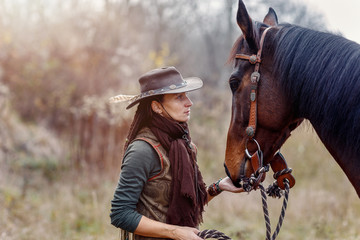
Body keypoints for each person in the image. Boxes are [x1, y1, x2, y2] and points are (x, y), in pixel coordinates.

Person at [109, 66, 244, 240]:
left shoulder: (184, 144)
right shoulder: (142, 150)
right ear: (157, 107)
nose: (189, 103)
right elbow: (120, 213)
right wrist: (176, 232)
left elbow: (184, 204)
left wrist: (218, 187)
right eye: (179, 97)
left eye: (186, 96)